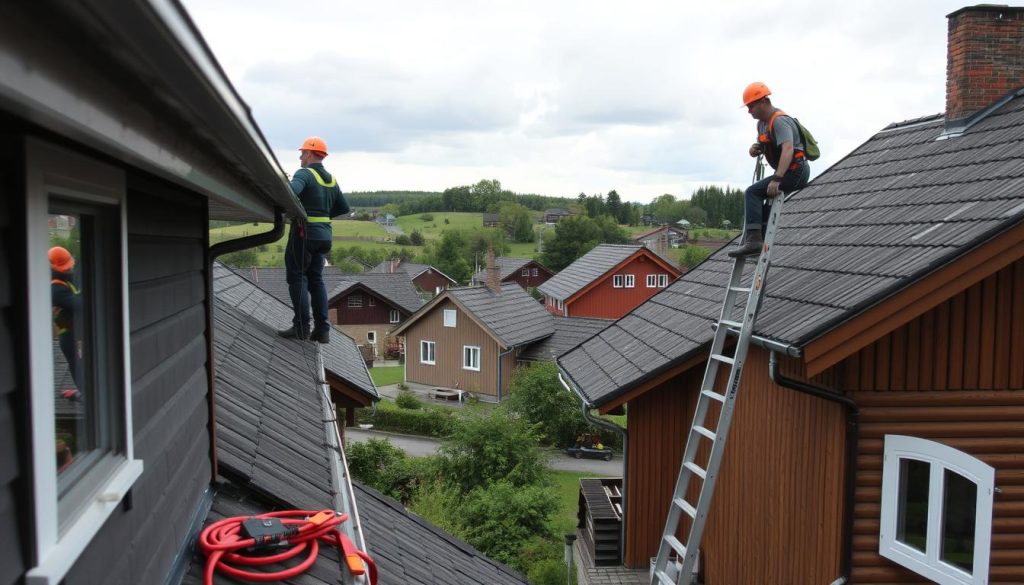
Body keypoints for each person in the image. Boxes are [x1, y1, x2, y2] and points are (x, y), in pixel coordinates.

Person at [279, 136, 350, 344]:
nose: (300, 156)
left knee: (297, 278)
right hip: (324, 237)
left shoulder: (304, 173)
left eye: (302, 152)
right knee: (316, 280)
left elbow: (291, 192)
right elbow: (344, 207)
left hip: (304, 234)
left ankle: (301, 327)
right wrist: (323, 215)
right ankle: (322, 330)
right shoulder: (331, 179)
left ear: (310, 153)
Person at [728, 82, 811, 258]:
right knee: (762, 201)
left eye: (751, 106)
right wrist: (755, 147)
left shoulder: (779, 121)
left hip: (796, 171)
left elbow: (788, 149)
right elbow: (764, 142)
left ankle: (754, 242)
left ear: (763, 102)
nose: (749, 111)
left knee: (753, 192)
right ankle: (758, 240)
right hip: (786, 171)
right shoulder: (762, 125)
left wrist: (777, 178)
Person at [50, 246, 82, 389]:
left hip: (76, 333)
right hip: (68, 336)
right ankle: (85, 394)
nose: (68, 270)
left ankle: (84, 392)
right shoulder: (55, 289)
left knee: (81, 364)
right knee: (78, 366)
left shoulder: (65, 280)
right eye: (64, 269)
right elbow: (79, 304)